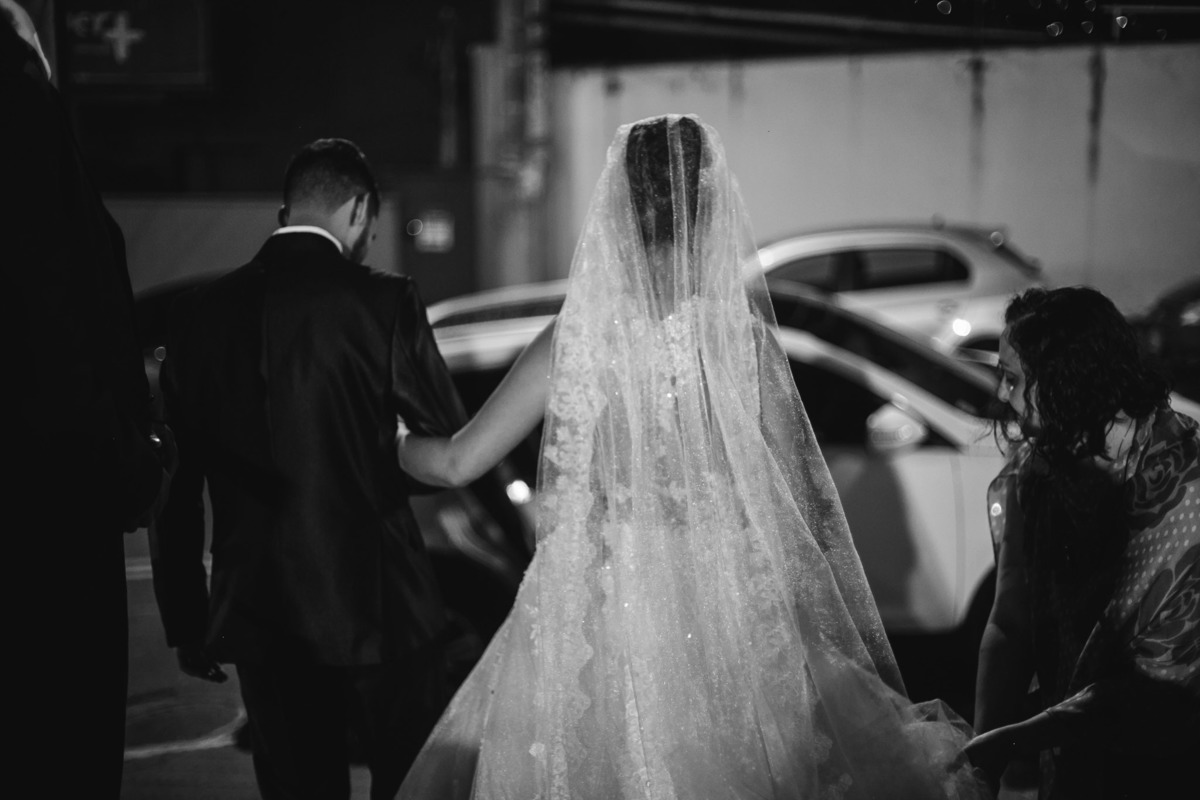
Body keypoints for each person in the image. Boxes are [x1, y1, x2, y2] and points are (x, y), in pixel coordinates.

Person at [393, 115, 987, 799]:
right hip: (723, 607)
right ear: (708, 202)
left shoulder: (574, 338)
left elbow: (456, 464)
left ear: (619, 205)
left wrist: (393, 441)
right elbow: (797, 503)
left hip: (600, 611)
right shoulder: (741, 338)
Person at [152, 138, 467, 800]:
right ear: (358, 209)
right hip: (383, 604)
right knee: (409, 785)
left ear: (283, 213)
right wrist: (380, 448)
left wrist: (187, 618)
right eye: (370, 225)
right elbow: (445, 441)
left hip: (259, 611)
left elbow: (175, 486)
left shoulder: (194, 316)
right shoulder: (385, 301)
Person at [2, 2, 174, 797]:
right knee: (58, 736)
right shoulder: (16, 99)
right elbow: (49, 306)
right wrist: (127, 459)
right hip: (46, 500)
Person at [966, 286, 1200, 798]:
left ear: (1066, 380)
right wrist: (983, 760)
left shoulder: (1182, 482)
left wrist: (1018, 739)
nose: (1002, 394)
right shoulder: (1036, 471)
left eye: (1013, 378)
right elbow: (1010, 622)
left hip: (1165, 767)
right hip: (1071, 760)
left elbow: (1161, 681)